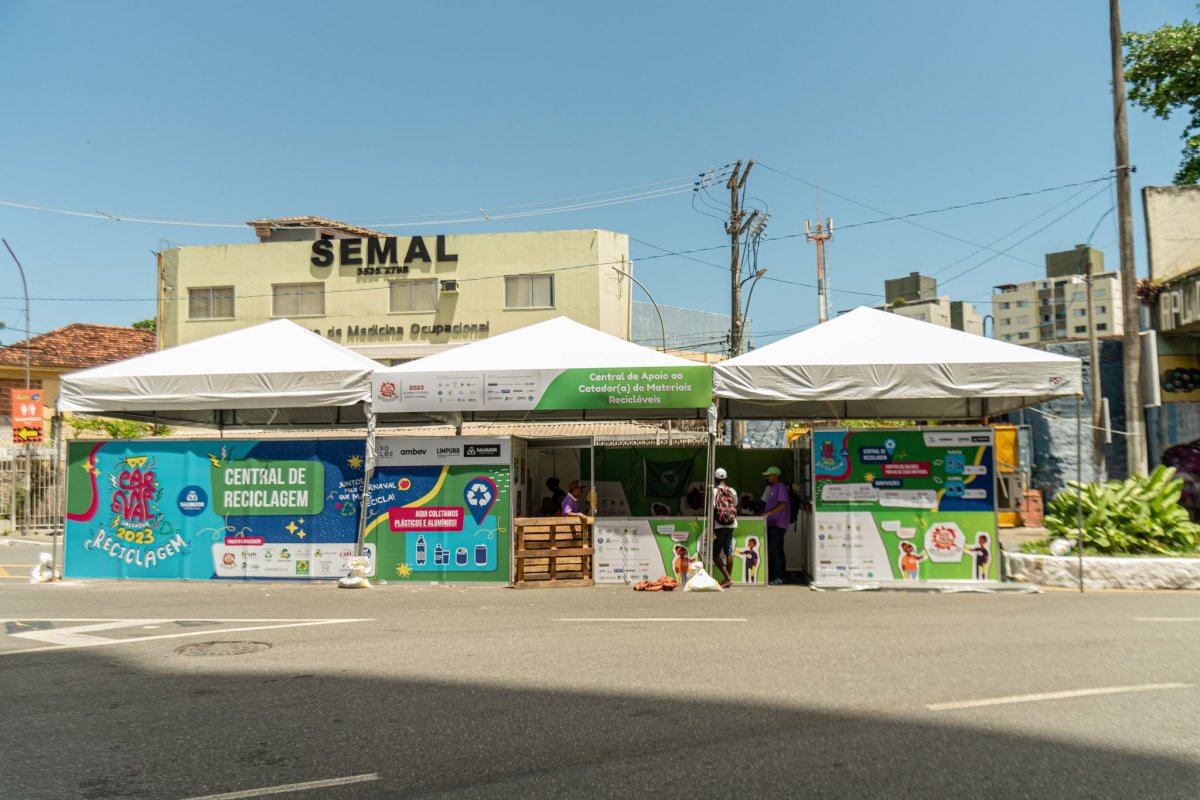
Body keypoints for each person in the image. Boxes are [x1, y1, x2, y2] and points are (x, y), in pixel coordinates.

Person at [761, 466, 790, 585]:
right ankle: (780, 575)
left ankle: (778, 577)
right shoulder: (774, 488)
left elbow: (783, 504)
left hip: (778, 524)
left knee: (774, 550)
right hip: (774, 524)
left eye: (770, 475)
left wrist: (769, 513)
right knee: (777, 550)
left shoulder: (780, 487)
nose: (768, 477)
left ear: (776, 476)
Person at [712, 467, 738, 589]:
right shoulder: (732, 490)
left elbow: (712, 509)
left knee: (715, 554)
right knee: (728, 551)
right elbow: (735, 505)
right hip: (731, 524)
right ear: (726, 478)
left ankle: (728, 578)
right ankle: (728, 579)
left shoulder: (714, 491)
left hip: (719, 525)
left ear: (715, 478)